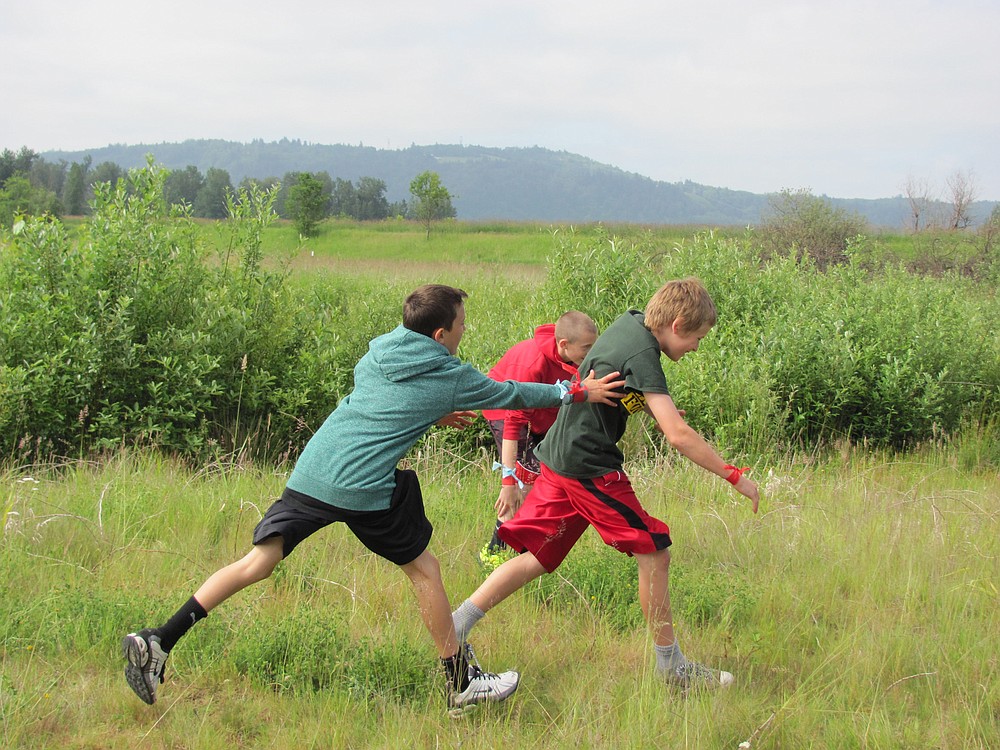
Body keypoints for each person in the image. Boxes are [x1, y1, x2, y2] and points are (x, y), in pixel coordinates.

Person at [121, 284, 624, 715]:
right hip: (362, 486)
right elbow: (511, 394)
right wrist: (577, 393)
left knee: (258, 561)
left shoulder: (378, 352)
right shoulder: (449, 374)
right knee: (424, 569)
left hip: (315, 471)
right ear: (439, 335)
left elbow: (385, 405)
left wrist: (430, 413)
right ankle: (461, 683)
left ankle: (160, 640)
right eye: (461, 325)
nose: (464, 331)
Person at [451, 277, 761, 691]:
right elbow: (679, 436)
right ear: (679, 321)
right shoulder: (645, 351)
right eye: (697, 337)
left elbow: (618, 385)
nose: (696, 347)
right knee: (655, 551)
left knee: (539, 557)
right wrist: (734, 476)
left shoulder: (629, 324)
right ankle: (672, 669)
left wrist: (650, 408)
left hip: (559, 457)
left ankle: (456, 624)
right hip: (586, 464)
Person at [480, 311, 598, 558]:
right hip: (505, 412)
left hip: (541, 414)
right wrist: (508, 481)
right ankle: (495, 554)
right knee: (521, 483)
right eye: (587, 348)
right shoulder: (532, 364)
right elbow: (513, 424)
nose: (591, 353)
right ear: (564, 344)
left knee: (541, 478)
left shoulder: (577, 360)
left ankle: (520, 550)